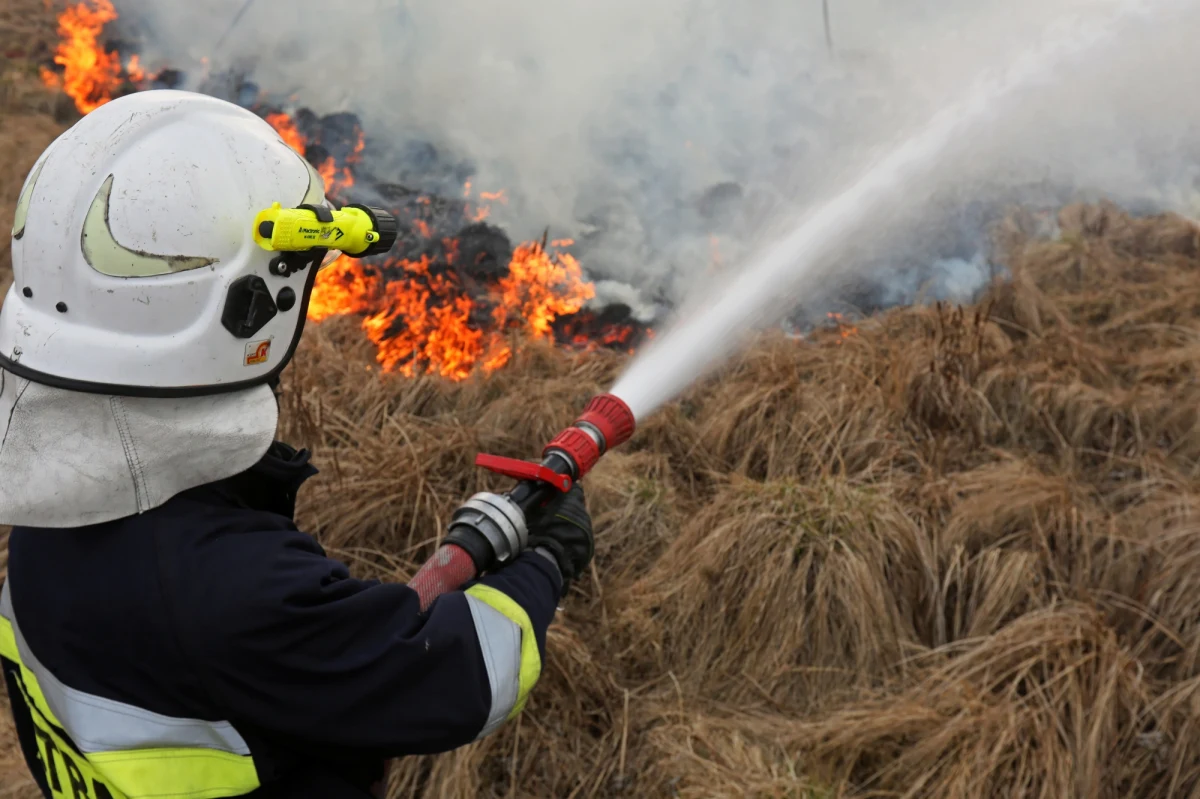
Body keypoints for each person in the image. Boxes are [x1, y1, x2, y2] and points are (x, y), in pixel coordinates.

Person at [0, 89, 594, 799]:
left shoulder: (49, 503)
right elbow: (457, 675)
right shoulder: (232, 588)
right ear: (246, 309)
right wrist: (544, 564)